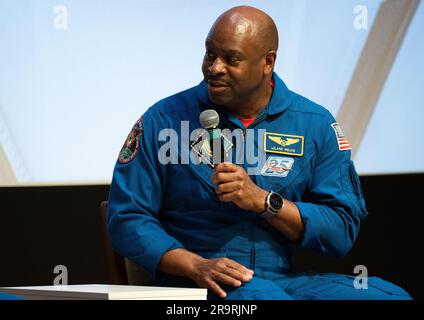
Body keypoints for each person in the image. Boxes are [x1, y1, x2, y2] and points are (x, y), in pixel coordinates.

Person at [107, 6, 411, 300]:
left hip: (280, 280)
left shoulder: (314, 124)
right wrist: (194, 265)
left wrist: (265, 202)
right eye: (210, 54)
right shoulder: (165, 118)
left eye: (231, 58)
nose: (214, 68)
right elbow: (126, 217)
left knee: (389, 296)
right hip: (195, 280)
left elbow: (341, 229)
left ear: (268, 62)